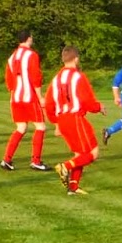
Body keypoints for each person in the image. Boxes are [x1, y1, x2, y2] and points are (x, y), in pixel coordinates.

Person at [46, 46, 103, 195]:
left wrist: (56, 123)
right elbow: (87, 101)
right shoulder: (78, 76)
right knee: (93, 153)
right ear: (76, 59)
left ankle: (73, 187)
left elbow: (49, 103)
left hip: (62, 119)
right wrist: (99, 107)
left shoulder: (56, 79)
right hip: (75, 118)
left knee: (80, 154)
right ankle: (65, 166)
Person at [3, 31, 50, 172]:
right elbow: (36, 77)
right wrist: (40, 97)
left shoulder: (12, 57)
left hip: (16, 98)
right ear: (28, 39)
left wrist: (14, 93)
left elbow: (9, 80)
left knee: (21, 128)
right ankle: (36, 161)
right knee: (40, 127)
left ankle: (6, 159)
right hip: (29, 97)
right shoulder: (32, 55)